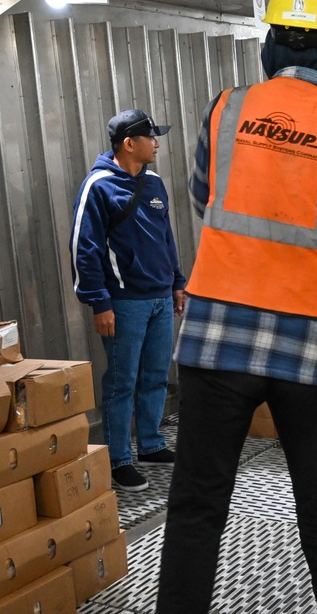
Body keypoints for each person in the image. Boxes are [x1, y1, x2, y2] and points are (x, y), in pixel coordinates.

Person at [155, 0, 317, 614]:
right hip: (311, 351)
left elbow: (203, 199)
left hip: (215, 345)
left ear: (271, 46)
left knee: (196, 506)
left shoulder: (225, 109)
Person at [70, 109, 186, 493]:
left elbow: (165, 237)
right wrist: (99, 302)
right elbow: (83, 248)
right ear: (128, 143)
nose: (157, 144)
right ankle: (119, 458)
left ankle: (151, 444)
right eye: (151, 137)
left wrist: (177, 282)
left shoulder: (153, 183)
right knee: (122, 382)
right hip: (123, 303)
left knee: (155, 376)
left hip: (159, 299)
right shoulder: (99, 186)